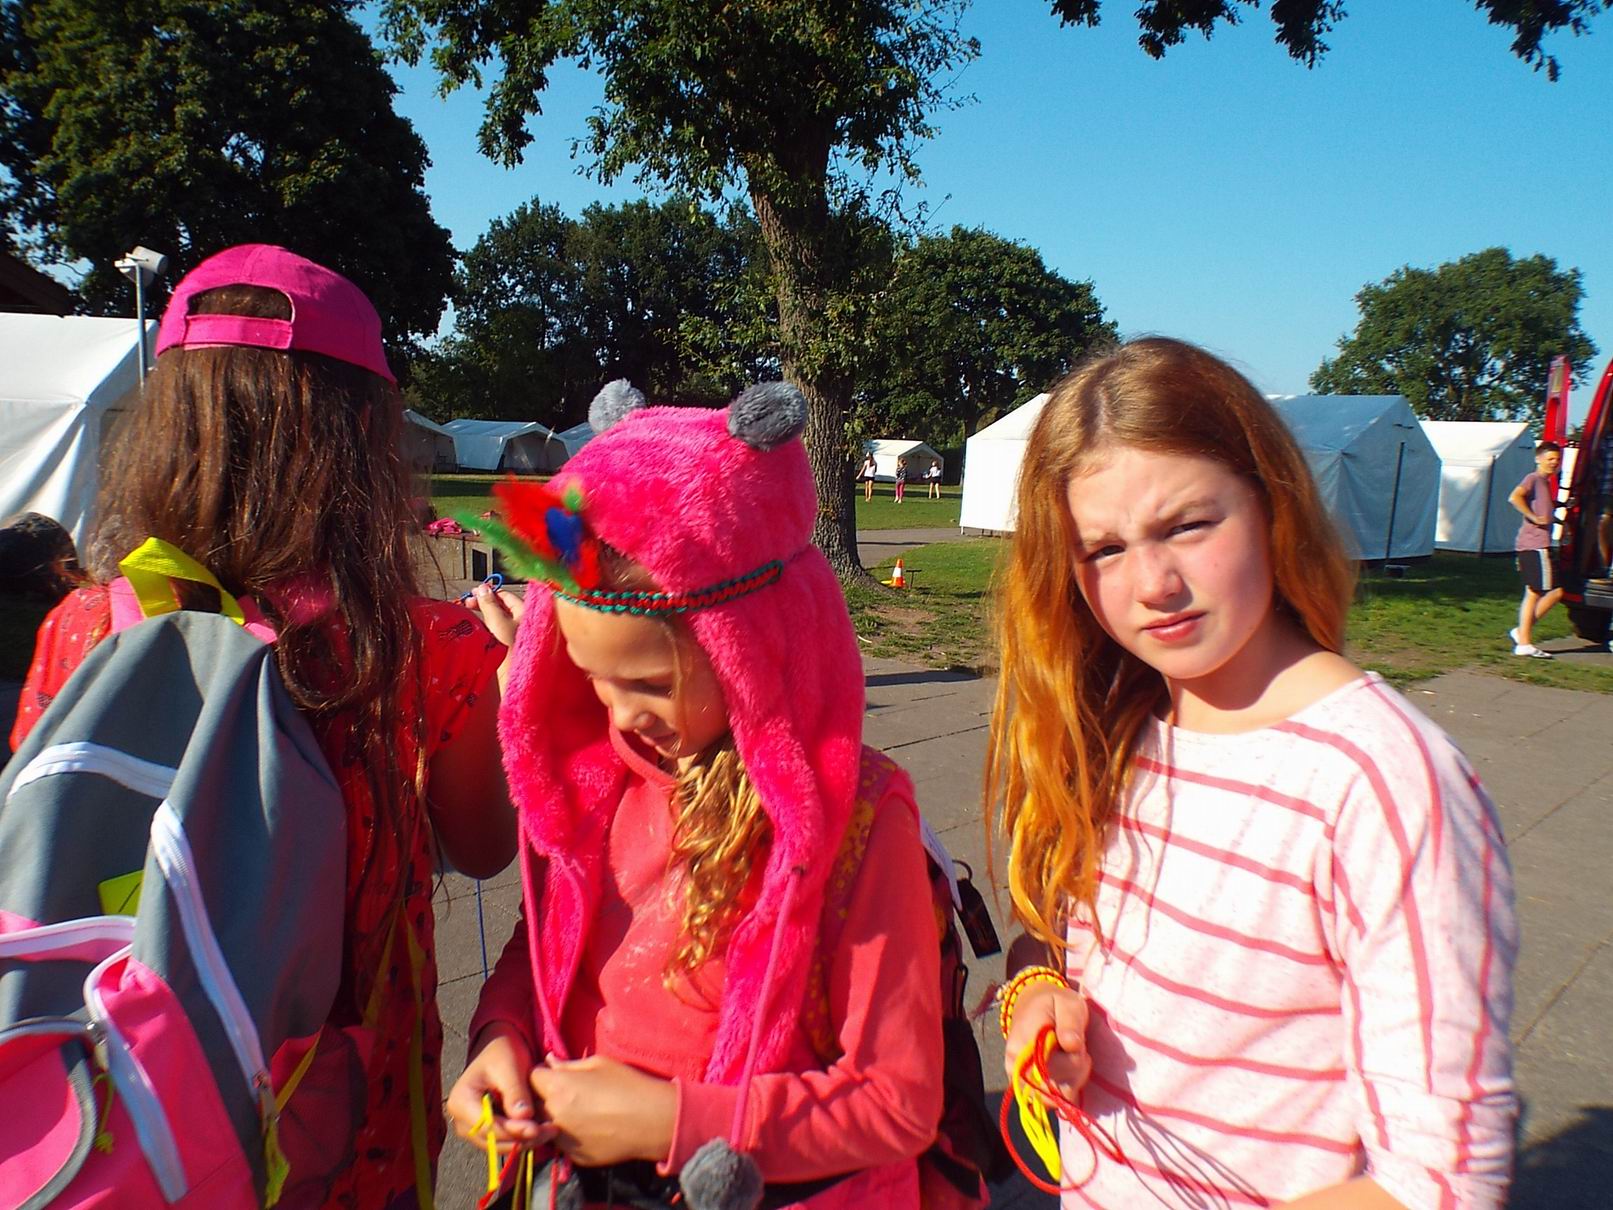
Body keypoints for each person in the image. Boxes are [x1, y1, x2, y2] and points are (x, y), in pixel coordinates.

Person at [10, 243, 517, 1210]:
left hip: (127, 1098)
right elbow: (484, 846)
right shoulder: (424, 648)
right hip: (346, 1111)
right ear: (361, 434)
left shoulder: (82, 629)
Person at [986, 338, 1517, 1209]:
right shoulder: (1119, 729)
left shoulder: (1381, 782)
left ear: (1273, 504)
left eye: (1187, 526)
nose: (1152, 583)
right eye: (1103, 549)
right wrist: (1038, 988)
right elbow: (1054, 939)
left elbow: (1439, 1181)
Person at [448, 381, 943, 1207]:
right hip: (575, 1177)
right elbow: (550, 941)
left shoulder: (858, 821)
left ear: (752, 647)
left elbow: (897, 1103)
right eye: (590, 675)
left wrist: (673, 1123)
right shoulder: (598, 779)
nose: (618, 716)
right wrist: (502, 1033)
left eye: (650, 683)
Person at [1507, 441, 1564, 658]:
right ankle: (1523, 641)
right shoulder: (1533, 478)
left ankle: (1522, 635)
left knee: (1537, 592)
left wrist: (1558, 518)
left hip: (1537, 544)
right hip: (1534, 544)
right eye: (1550, 459)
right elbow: (1515, 497)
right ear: (1538, 459)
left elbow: (1544, 512)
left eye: (1557, 460)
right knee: (1547, 592)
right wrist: (1533, 517)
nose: (1554, 463)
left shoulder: (1545, 484)